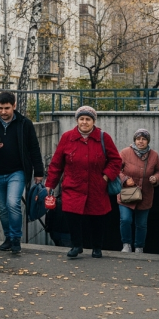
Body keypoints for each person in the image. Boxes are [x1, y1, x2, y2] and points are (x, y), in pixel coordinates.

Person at [45, 106, 122, 258]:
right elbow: (56, 163)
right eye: (82, 119)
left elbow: (116, 160)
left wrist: (106, 176)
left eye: (88, 119)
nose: (84, 122)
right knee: (72, 216)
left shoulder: (103, 137)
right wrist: (50, 184)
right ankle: (76, 245)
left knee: (97, 218)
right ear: (77, 120)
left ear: (94, 121)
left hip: (96, 185)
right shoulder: (67, 137)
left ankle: (97, 247)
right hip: (73, 185)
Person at [0, 91, 45, 254]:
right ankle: (8, 237)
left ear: (14, 106)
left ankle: (15, 238)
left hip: (18, 171)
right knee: (2, 208)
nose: (3, 112)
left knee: (13, 203)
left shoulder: (24, 123)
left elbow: (34, 147)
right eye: (0, 108)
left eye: (7, 108)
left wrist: (39, 171)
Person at [118, 129, 159, 253]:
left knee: (141, 224)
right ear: (134, 140)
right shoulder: (125, 152)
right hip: (127, 193)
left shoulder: (154, 155)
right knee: (125, 219)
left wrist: (156, 178)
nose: (141, 141)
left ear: (147, 141)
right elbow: (116, 169)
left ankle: (139, 247)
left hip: (146, 193)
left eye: (144, 139)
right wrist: (125, 179)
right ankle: (126, 244)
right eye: (138, 139)